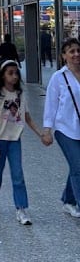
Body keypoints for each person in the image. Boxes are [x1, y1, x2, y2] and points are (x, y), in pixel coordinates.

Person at [0, 60, 47, 224]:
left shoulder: (21, 95)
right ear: (3, 75)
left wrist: (41, 134)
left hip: (14, 141)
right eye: (10, 73)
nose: (14, 76)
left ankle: (21, 209)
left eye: (16, 73)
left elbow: (27, 118)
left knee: (18, 175)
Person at [42, 37, 80, 218]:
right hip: (65, 129)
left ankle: (68, 200)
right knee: (78, 166)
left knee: (76, 166)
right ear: (64, 55)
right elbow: (50, 104)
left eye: (78, 51)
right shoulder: (59, 77)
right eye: (71, 51)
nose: (76, 54)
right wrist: (47, 130)